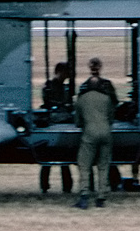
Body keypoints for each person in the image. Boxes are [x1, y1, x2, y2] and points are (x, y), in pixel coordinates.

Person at [74, 57, 118, 209]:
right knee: (103, 166)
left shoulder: (82, 97)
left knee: (84, 165)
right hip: (106, 132)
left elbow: (78, 121)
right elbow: (112, 116)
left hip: (89, 133)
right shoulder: (107, 97)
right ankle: (101, 197)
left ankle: (84, 195)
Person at [39, 61, 74, 193]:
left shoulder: (63, 88)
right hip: (55, 122)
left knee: (62, 160)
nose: (67, 75)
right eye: (66, 72)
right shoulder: (50, 87)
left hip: (61, 123)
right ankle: (46, 185)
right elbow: (50, 103)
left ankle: (65, 185)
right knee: (51, 159)